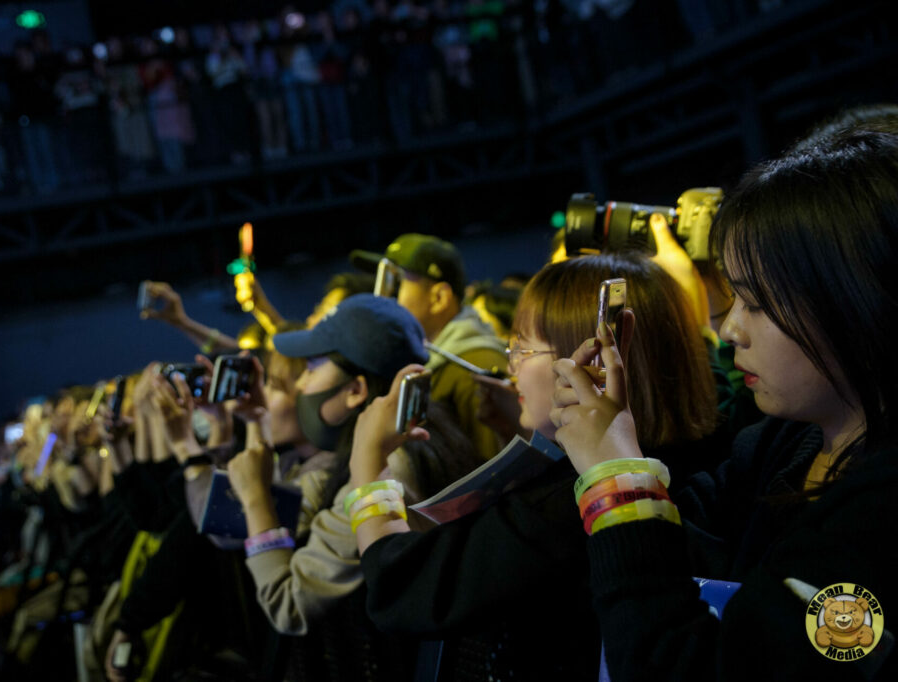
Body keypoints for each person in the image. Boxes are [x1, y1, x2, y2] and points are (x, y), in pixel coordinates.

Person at [551, 128, 898, 680]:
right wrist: (609, 443)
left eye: (756, 302)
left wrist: (615, 478)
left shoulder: (882, 518)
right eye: (732, 297)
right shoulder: (788, 439)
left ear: (858, 299)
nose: (730, 328)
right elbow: (677, 548)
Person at [350, 252, 724, 680]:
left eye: (523, 349)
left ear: (593, 361)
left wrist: (369, 465)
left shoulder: (567, 506)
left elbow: (403, 590)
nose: (510, 368)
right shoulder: (703, 459)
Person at [223, 293, 477, 637]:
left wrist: (255, 499)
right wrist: (256, 421)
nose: (300, 385)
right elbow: (280, 522)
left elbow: (289, 605)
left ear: (356, 390)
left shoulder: (384, 474)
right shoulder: (412, 441)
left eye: (311, 369)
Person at [351, 233, 508, 460]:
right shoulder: (428, 361)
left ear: (439, 298)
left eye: (395, 285)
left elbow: (497, 471)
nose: (382, 300)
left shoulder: (475, 365)